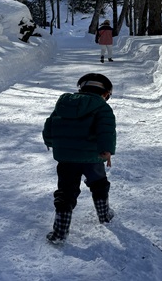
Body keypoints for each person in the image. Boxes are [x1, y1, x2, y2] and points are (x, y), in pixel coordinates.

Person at [42, 73, 116, 244]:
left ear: (81, 88)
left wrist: (49, 140)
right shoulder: (102, 107)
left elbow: (50, 124)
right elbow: (106, 130)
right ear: (105, 93)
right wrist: (106, 150)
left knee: (66, 192)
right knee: (99, 185)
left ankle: (60, 232)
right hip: (92, 158)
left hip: (66, 159)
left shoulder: (63, 104)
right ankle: (104, 215)